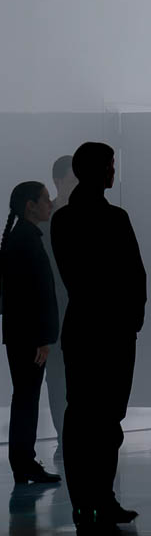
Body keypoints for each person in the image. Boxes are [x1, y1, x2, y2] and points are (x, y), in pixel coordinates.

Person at [50, 142, 147, 531]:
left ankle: (86, 502)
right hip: (113, 330)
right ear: (97, 170)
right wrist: (133, 317)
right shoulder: (115, 218)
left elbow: (79, 276)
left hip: (85, 327)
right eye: (109, 165)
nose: (113, 172)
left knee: (83, 416)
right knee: (105, 419)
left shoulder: (63, 219)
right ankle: (100, 499)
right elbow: (134, 274)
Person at [3, 181, 61, 485]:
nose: (50, 204)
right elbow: (33, 295)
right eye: (46, 199)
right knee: (27, 399)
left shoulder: (21, 238)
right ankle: (24, 462)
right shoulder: (26, 240)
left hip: (21, 335)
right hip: (28, 337)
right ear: (31, 206)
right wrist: (42, 338)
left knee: (25, 398)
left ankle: (23, 462)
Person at [42, 155, 74, 456]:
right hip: (54, 310)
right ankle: (65, 436)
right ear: (58, 181)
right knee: (57, 376)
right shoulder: (43, 218)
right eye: (73, 179)